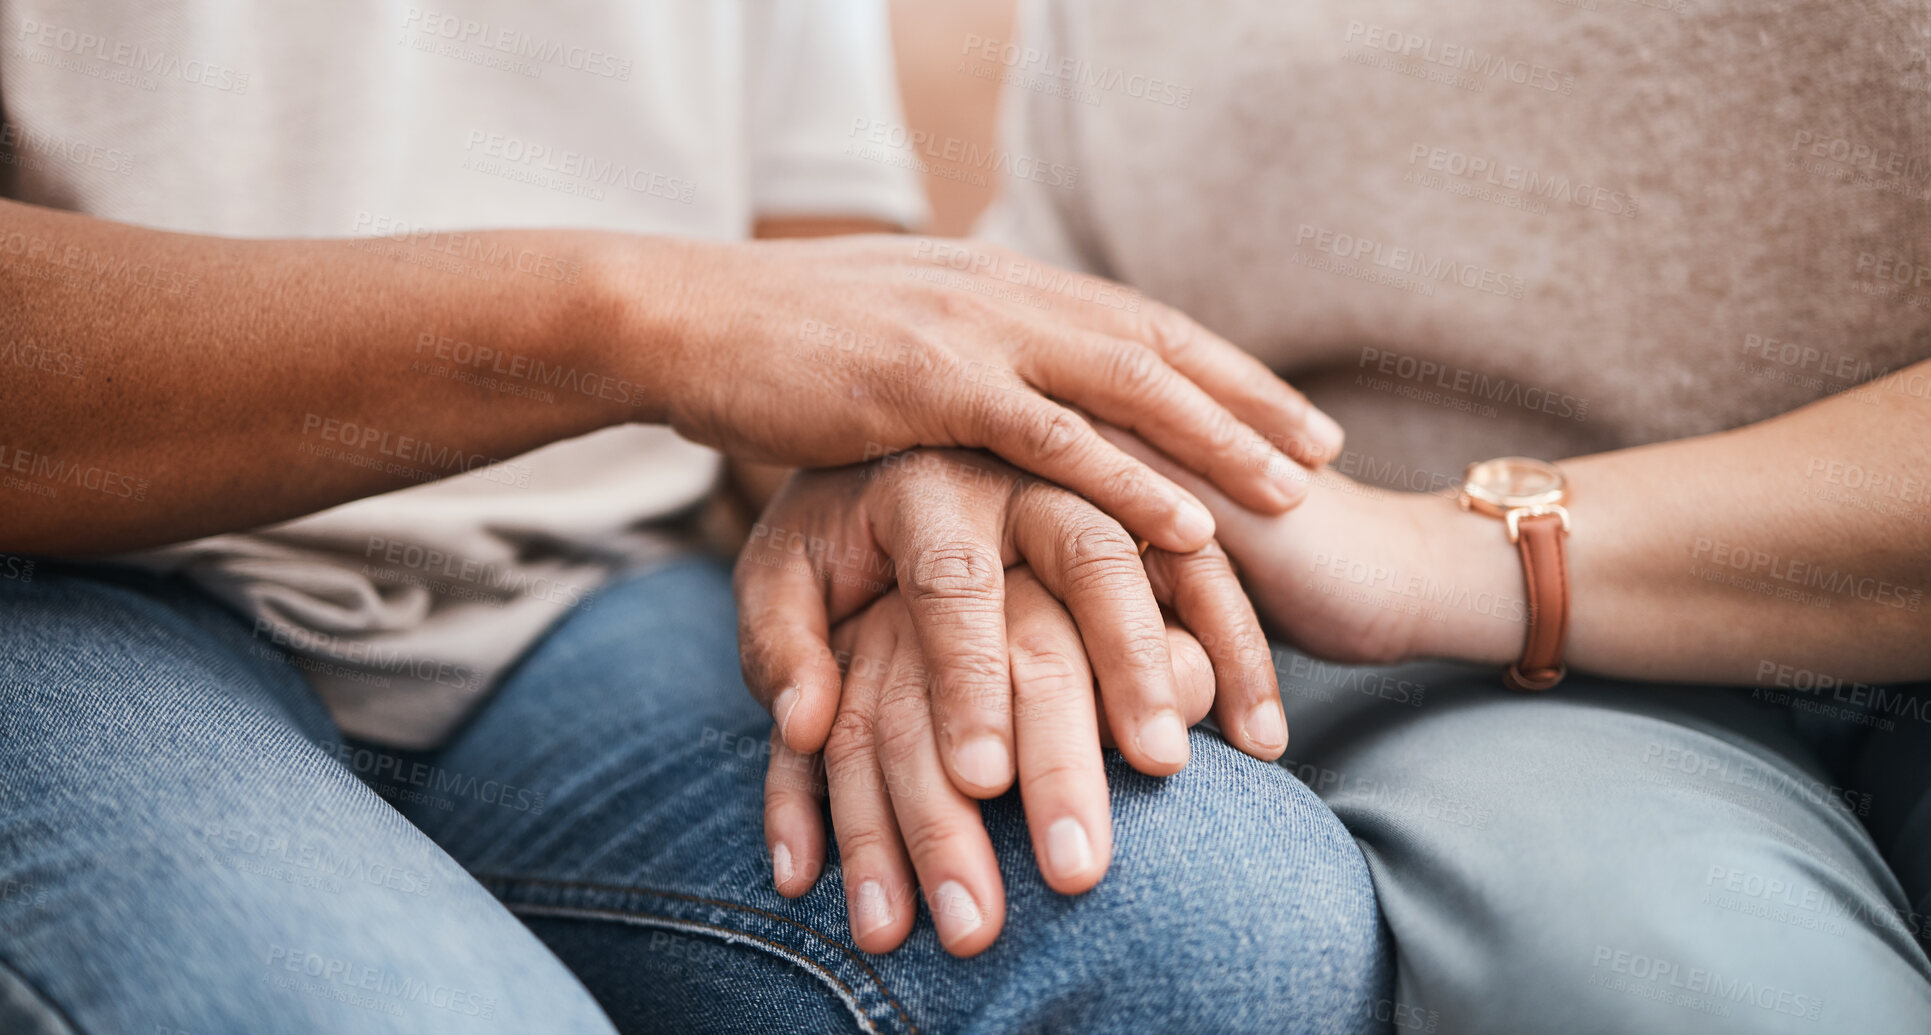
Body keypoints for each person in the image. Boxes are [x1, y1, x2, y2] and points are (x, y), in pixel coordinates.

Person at [0, 2, 1388, 1033]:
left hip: (596, 594)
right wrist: (632, 320)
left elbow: (815, 282)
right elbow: (714, 314)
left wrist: (918, 515)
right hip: (69, 588)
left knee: (1217, 927)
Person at [766, 0, 1929, 1031]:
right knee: (1686, 986)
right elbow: (1025, 355)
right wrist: (978, 519)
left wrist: (1434, 555)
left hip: (1418, 585)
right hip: (1466, 682)